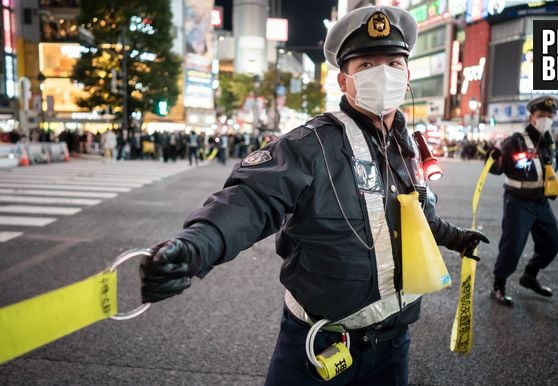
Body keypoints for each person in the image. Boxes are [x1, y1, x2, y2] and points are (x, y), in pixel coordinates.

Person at [139, 6, 489, 385]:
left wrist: (457, 238)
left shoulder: (407, 147)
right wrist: (194, 246)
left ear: (407, 75)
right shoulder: (310, 145)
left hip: (393, 341)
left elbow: (418, 217)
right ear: (343, 81)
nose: (382, 74)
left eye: (393, 62)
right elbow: (252, 200)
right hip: (317, 344)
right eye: (367, 66)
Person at [486, 96, 558, 306]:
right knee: (512, 247)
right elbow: (498, 167)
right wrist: (491, 158)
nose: (546, 119)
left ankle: (529, 276)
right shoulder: (516, 141)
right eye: (541, 115)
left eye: (550, 115)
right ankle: (498, 286)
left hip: (541, 202)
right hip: (518, 202)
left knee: (552, 244)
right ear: (532, 117)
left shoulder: (549, 142)